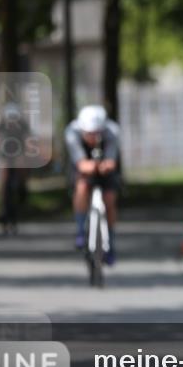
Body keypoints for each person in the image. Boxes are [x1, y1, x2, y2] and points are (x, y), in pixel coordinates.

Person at [64, 105, 121, 264]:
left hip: (104, 166)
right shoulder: (72, 133)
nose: (92, 137)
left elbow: (111, 159)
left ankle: (110, 241)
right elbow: (81, 163)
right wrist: (91, 166)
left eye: (96, 133)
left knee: (110, 198)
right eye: (89, 134)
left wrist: (106, 165)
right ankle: (81, 230)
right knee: (81, 187)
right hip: (84, 166)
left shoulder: (112, 132)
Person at [0, 102, 33, 232]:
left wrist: (28, 156)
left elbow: (28, 141)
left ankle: (23, 188)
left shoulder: (23, 126)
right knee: (4, 181)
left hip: (19, 154)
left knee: (21, 170)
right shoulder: (2, 125)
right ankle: (3, 208)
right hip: (5, 155)